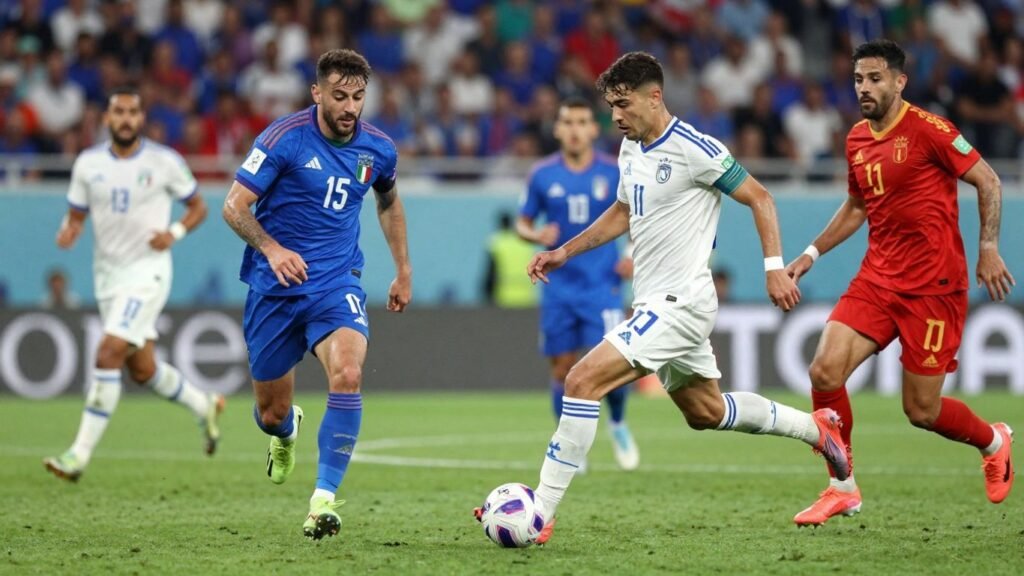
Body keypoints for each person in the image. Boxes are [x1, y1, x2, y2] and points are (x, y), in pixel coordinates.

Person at [476, 52, 852, 544]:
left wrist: (774, 269)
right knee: (706, 413)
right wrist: (564, 251)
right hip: (654, 300)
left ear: (655, 97)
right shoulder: (632, 149)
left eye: (623, 104)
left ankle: (540, 513)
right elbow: (621, 210)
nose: (615, 116)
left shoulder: (697, 149)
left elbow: (760, 197)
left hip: (681, 303)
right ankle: (817, 429)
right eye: (611, 106)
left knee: (582, 380)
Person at [785, 39, 1016, 527]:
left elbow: (989, 181)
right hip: (878, 277)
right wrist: (811, 252)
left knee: (922, 410)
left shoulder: (931, 130)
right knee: (824, 372)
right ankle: (841, 486)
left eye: (874, 78)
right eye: (857, 79)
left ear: (898, 81)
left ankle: (994, 441)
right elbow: (856, 206)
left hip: (934, 285)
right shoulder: (855, 139)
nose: (864, 88)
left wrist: (988, 248)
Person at [221, 49, 411, 540]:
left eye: (359, 97)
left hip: (336, 283)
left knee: (348, 373)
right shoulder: (283, 138)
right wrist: (272, 248)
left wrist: (402, 270)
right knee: (272, 412)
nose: (350, 107)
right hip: (276, 288)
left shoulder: (378, 149)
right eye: (340, 96)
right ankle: (284, 434)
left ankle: (323, 499)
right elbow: (234, 206)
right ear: (318, 93)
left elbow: (388, 201)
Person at [45, 86, 222, 482]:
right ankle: (204, 404)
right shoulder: (88, 164)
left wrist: (173, 233)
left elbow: (198, 207)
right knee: (142, 369)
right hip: (108, 275)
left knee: (108, 352)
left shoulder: (164, 162)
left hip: (148, 271)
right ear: (106, 118)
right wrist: (68, 230)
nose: (125, 119)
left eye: (132, 112)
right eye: (118, 112)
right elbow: (76, 215)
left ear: (141, 119)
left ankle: (77, 456)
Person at [517, 97, 639, 471]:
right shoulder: (542, 174)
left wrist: (633, 252)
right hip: (558, 288)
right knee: (562, 369)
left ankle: (617, 423)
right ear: (557, 129)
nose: (573, 129)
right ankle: (569, 445)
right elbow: (522, 223)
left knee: (613, 368)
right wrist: (536, 235)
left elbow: (639, 214)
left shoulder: (614, 169)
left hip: (602, 286)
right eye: (567, 122)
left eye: (581, 121)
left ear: (592, 128)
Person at [482, 211, 538, 308]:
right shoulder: (526, 243)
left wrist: (487, 295)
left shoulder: (496, 242)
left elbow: (490, 272)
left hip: (503, 296)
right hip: (527, 297)